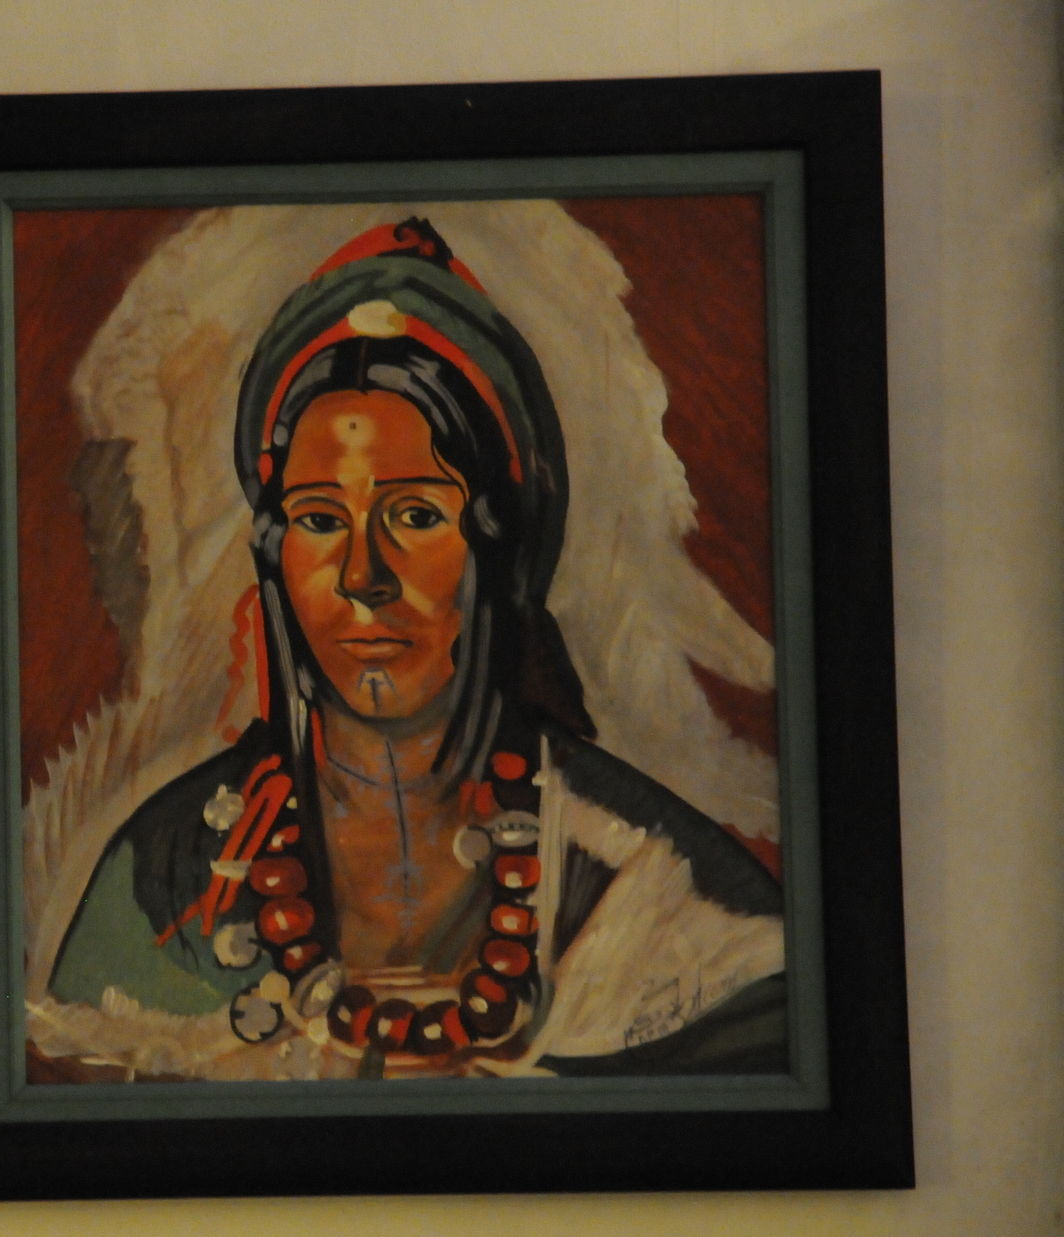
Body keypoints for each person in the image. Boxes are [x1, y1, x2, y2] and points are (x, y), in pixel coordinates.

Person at [46, 218, 787, 1079]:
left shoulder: (670, 900)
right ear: (276, 559)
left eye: (416, 515)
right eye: (321, 519)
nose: (363, 575)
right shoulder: (163, 883)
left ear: (500, 548)